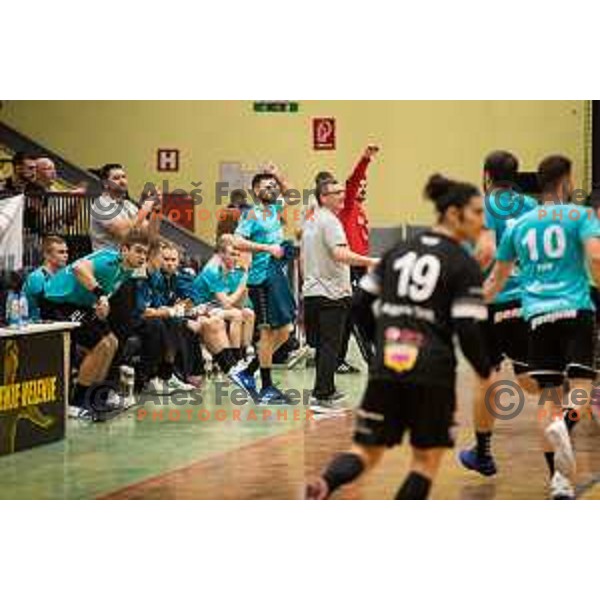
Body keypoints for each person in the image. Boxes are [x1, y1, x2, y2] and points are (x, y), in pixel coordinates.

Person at [306, 174, 491, 500]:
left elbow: (360, 305)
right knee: (425, 462)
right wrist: (484, 371)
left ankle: (325, 483)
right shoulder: (463, 263)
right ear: (452, 214)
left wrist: (381, 344)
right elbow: (467, 329)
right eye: (476, 212)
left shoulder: (397, 252)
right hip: (432, 371)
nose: (482, 220)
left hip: (388, 365)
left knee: (365, 451)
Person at [485, 155, 600, 499]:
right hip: (575, 310)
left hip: (536, 316)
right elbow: (595, 258)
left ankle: (558, 481)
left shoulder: (522, 224)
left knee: (547, 397)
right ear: (566, 181)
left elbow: (496, 278)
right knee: (579, 391)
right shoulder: (580, 216)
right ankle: (564, 425)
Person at [459, 150, 538, 476]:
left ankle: (483, 453)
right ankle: (566, 418)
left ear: (487, 174)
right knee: (531, 381)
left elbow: (486, 250)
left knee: (485, 379)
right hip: (526, 301)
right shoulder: (533, 207)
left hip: (490, 301)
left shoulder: (483, 205)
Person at [41, 228, 150, 419]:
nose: (142, 257)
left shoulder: (127, 271)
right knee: (101, 344)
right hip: (57, 302)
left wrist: (99, 304)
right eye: (138, 251)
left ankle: (95, 396)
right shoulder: (110, 259)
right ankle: (75, 403)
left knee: (112, 343)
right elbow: (79, 268)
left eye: (145, 253)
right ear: (124, 250)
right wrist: (100, 296)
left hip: (80, 305)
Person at [302, 178, 377, 410]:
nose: (342, 196)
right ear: (323, 197)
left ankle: (323, 390)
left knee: (326, 345)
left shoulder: (311, 219)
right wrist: (370, 261)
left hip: (314, 291)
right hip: (331, 293)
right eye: (336, 192)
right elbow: (339, 254)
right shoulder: (330, 221)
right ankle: (323, 394)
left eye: (342, 192)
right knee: (330, 346)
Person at [233, 168, 296, 404]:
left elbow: (290, 195)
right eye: (266, 186)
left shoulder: (275, 209)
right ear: (255, 191)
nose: (271, 188)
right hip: (260, 279)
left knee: (286, 330)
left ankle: (248, 372)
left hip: (276, 274)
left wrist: (278, 175)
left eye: (273, 186)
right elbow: (237, 241)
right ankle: (267, 387)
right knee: (268, 332)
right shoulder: (251, 214)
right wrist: (267, 248)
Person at [336, 144, 379, 373]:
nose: (361, 187)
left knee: (351, 317)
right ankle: (373, 362)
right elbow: (352, 181)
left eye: (365, 185)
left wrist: (367, 266)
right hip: (349, 268)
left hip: (361, 268)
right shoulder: (348, 207)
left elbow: (362, 244)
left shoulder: (361, 211)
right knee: (356, 313)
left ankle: (338, 360)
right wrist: (365, 160)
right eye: (359, 185)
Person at [193, 234, 255, 363]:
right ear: (222, 253)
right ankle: (235, 360)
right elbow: (226, 304)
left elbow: (238, 304)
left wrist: (245, 285)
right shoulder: (213, 270)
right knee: (236, 315)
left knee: (247, 313)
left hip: (214, 306)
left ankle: (246, 354)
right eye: (233, 253)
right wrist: (242, 284)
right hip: (200, 308)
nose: (236, 258)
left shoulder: (226, 269)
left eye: (237, 254)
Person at [90, 163, 161, 251]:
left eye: (124, 177)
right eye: (116, 178)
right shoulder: (100, 205)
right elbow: (124, 234)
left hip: (128, 259)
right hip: (107, 259)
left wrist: (156, 210)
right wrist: (145, 208)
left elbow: (149, 234)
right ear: (105, 184)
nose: (122, 181)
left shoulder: (129, 205)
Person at [23, 236, 69, 321]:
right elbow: (45, 308)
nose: (66, 255)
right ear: (47, 255)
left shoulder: (63, 276)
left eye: (66, 252)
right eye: (61, 252)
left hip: (56, 322)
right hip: (36, 325)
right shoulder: (37, 277)